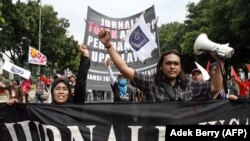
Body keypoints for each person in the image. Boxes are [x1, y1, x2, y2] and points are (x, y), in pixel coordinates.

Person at [98, 29, 227, 102]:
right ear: (161, 66)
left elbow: (215, 87)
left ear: (180, 67)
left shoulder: (189, 83)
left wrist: (221, 61)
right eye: (168, 63)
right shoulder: (150, 81)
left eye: (176, 63)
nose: (172, 66)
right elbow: (124, 69)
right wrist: (108, 46)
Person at [7, 44, 90, 105]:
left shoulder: (75, 106)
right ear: (52, 91)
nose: (61, 92)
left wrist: (85, 56)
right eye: (57, 88)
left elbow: (81, 84)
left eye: (65, 89)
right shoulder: (45, 112)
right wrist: (14, 105)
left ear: (69, 92)